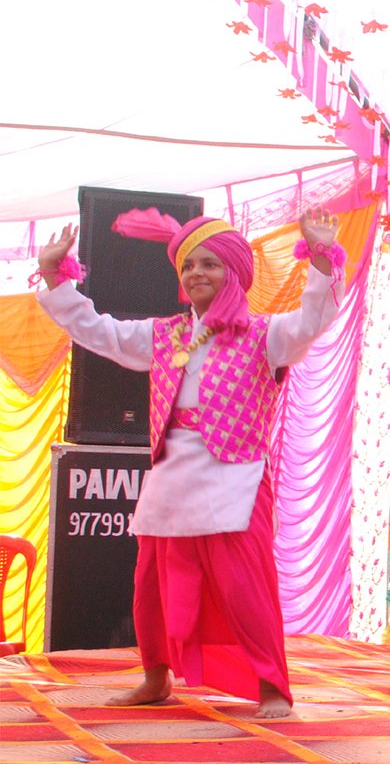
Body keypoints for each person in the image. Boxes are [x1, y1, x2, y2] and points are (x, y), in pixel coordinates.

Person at [34, 207, 344, 719]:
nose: (197, 273)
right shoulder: (164, 334)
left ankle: (271, 685)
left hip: (236, 474)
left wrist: (321, 257)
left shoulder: (266, 334)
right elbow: (98, 331)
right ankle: (156, 677)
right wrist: (54, 276)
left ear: (235, 272)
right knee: (150, 587)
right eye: (188, 265)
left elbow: (315, 318)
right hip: (171, 473)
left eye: (209, 263)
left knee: (244, 587)